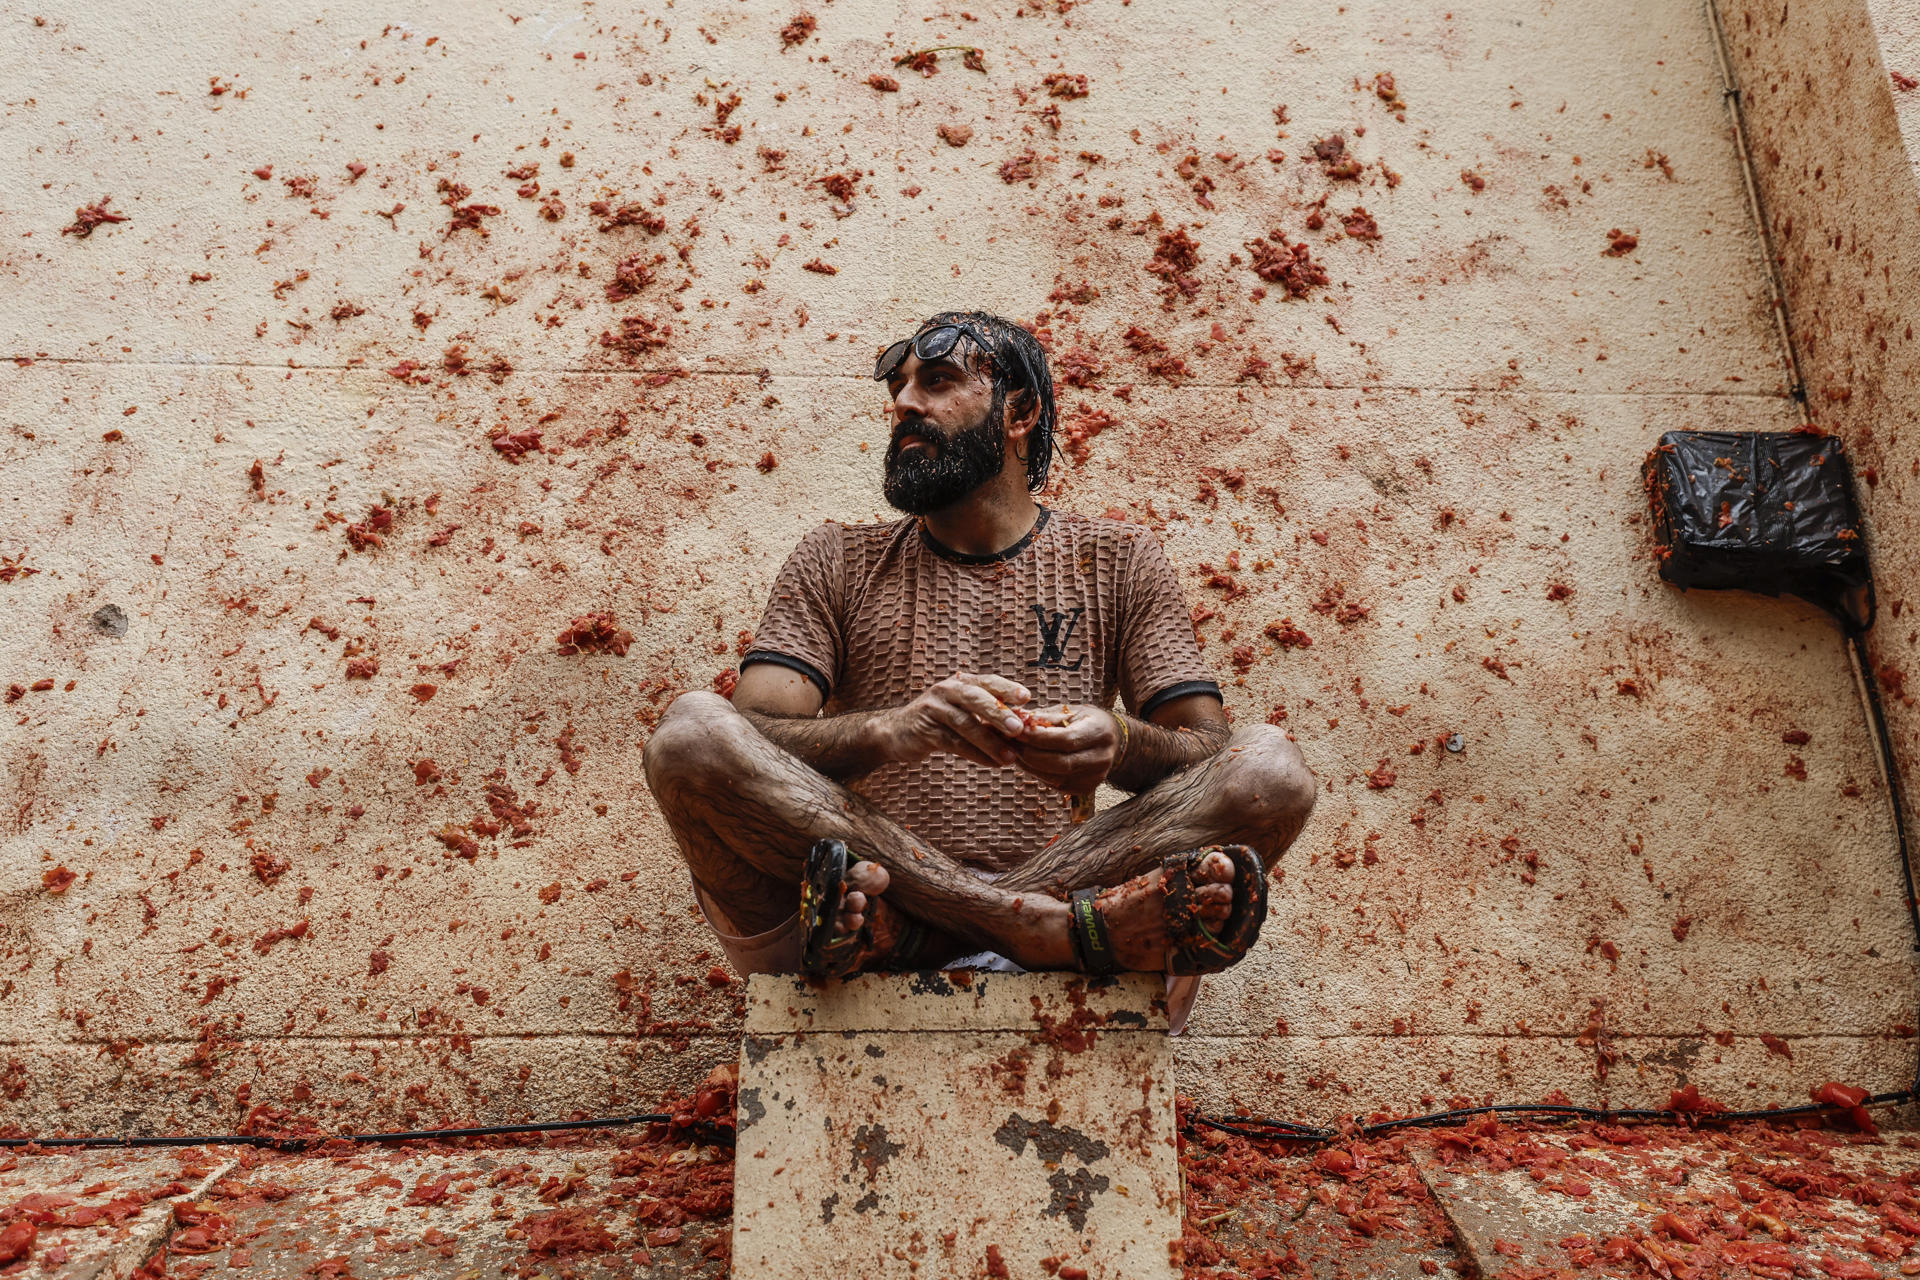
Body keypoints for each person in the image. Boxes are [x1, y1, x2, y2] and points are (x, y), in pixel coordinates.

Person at [641, 311, 1316, 1031]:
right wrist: (891, 732)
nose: (904, 404)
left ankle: (943, 930)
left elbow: (1210, 751)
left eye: (936, 382)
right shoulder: (835, 557)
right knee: (690, 735)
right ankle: (1021, 926)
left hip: (985, 914)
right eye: (899, 387)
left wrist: (1121, 742)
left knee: (1272, 769)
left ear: (1019, 411)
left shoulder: (1119, 559)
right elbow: (751, 735)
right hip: (865, 908)